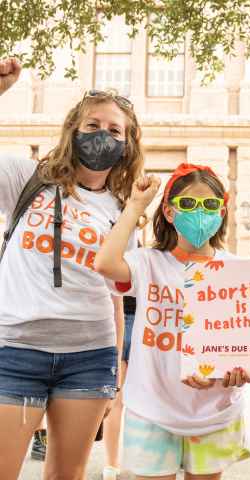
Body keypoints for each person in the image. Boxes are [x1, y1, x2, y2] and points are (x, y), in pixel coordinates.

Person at [0, 57, 143, 480]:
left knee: (67, 474)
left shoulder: (122, 210)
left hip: (89, 357)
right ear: (72, 132)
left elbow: (115, 296)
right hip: (15, 350)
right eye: (93, 126)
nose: (103, 136)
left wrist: (116, 369)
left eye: (114, 130)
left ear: (127, 144)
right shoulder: (26, 179)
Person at [94, 163, 250, 480]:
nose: (200, 212)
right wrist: (136, 206)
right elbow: (105, 263)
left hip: (214, 413)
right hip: (152, 412)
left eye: (209, 204)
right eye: (189, 204)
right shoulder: (147, 263)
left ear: (222, 211)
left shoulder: (240, 272)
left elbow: (249, 347)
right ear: (168, 211)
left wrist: (239, 370)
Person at [102, 294, 136, 480]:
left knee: (116, 401)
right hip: (148, 320)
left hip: (116, 319)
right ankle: (150, 458)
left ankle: (111, 464)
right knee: (151, 397)